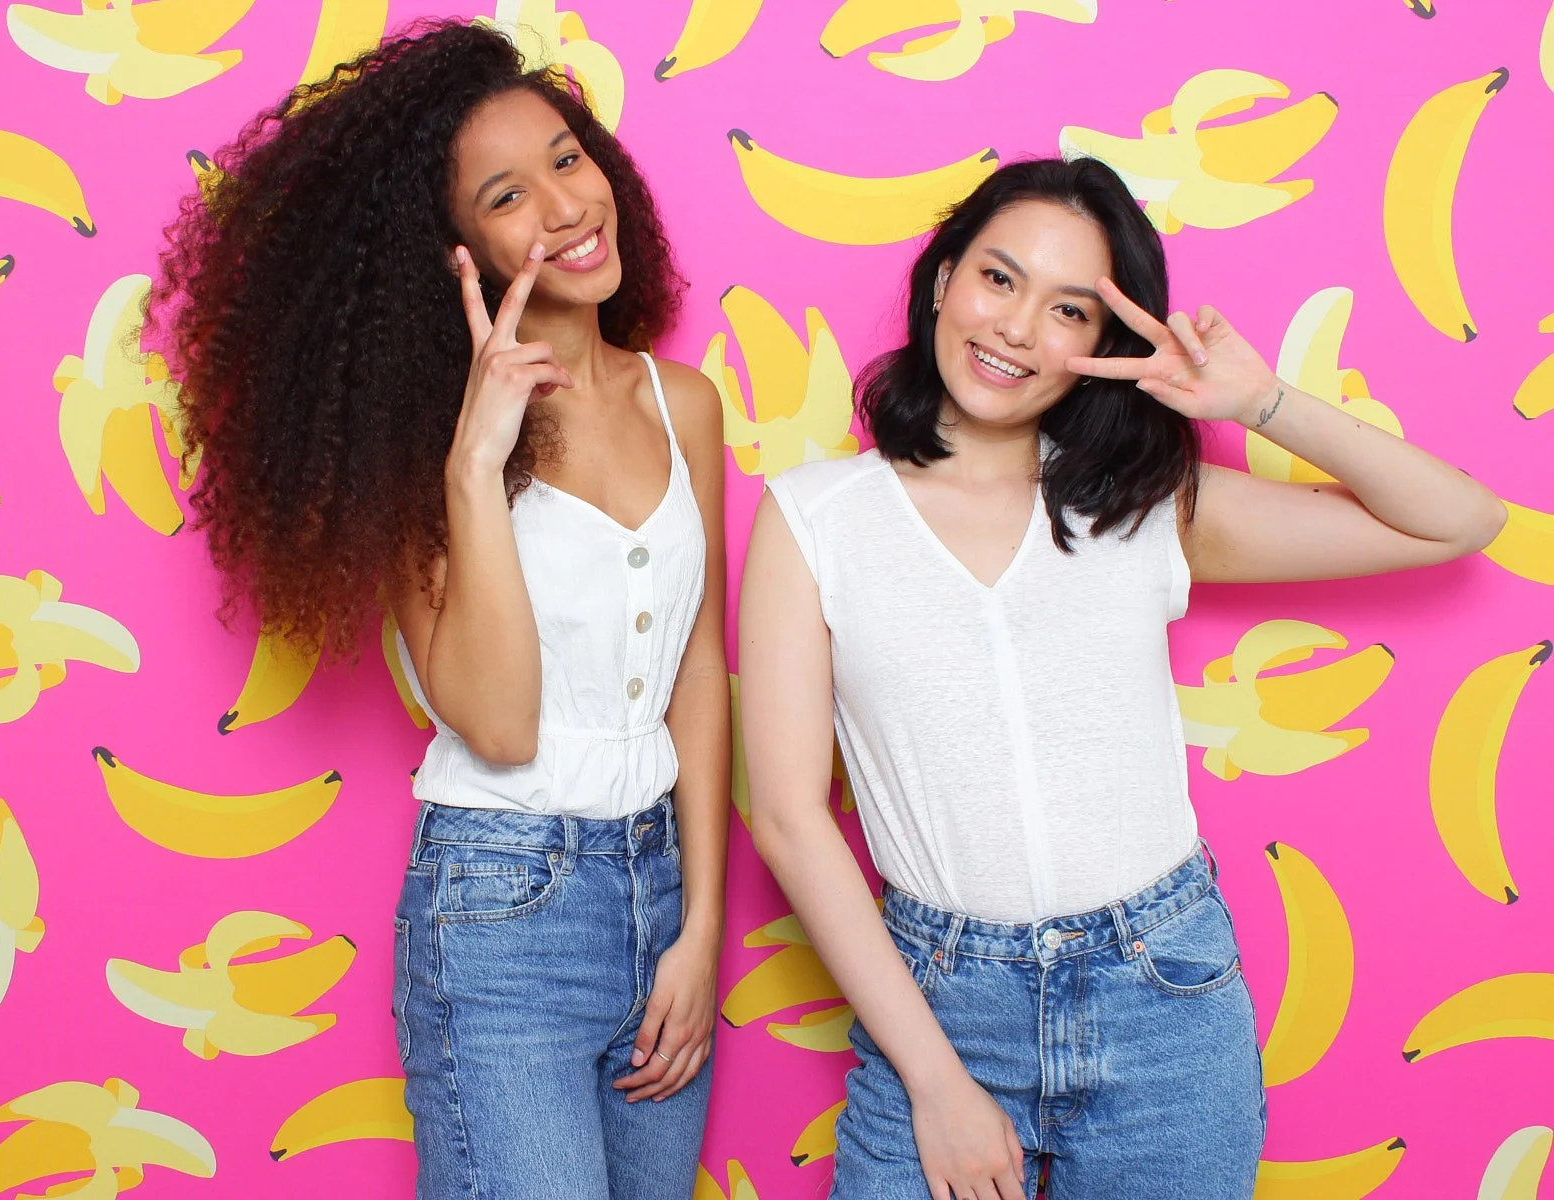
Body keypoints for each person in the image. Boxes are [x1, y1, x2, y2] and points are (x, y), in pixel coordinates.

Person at [736, 156, 1504, 1200]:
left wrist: (1263, 400)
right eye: (998, 280)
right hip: (936, 1001)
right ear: (941, 281)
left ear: (1102, 347)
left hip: (1163, 997)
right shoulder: (815, 518)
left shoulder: (1145, 507)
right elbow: (785, 815)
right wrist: (937, 1083)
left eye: (1067, 311)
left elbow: (1460, 521)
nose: (1014, 328)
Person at [149, 21, 729, 1198]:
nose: (569, 207)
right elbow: (502, 726)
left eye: (569, 158)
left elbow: (698, 669)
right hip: (501, 916)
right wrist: (476, 463)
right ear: (457, 249)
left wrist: (703, 922)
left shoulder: (687, 404)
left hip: (658, 890)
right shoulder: (428, 452)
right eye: (510, 194)